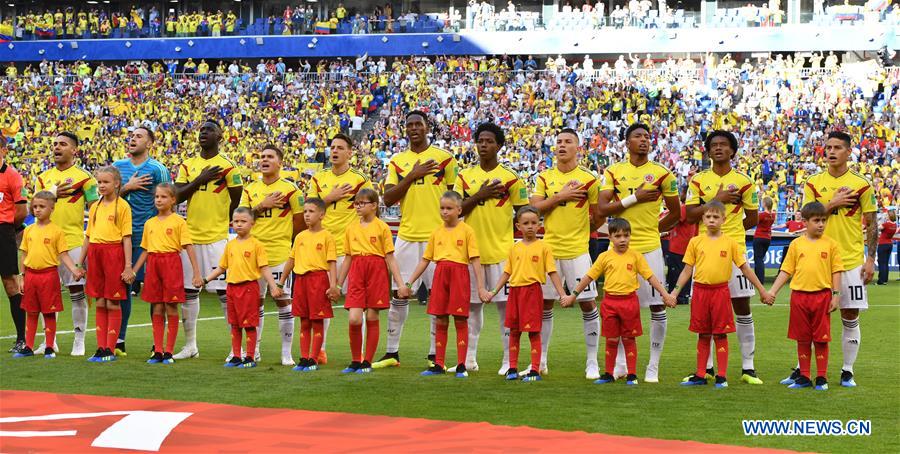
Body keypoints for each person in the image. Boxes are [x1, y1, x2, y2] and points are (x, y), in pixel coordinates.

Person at [597, 123, 680, 383]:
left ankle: (653, 365)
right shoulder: (614, 171)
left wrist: (654, 230)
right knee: (619, 306)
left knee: (657, 307)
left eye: (647, 136)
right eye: (637, 136)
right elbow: (602, 209)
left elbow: (676, 214)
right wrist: (636, 198)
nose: (643, 140)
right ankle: (621, 364)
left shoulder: (663, 173)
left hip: (650, 249)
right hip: (619, 250)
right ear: (627, 142)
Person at [375, 111, 458, 369]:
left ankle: (436, 355)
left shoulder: (445, 159)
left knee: (439, 298)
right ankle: (391, 353)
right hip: (408, 235)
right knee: (398, 293)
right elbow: (388, 198)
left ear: (426, 127)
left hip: (439, 237)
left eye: (418, 124)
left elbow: (456, 199)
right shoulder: (398, 161)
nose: (413, 128)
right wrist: (412, 174)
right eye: (409, 124)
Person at [794, 131, 877, 388]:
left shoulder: (862, 184)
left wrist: (870, 259)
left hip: (851, 259)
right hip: (815, 260)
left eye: (837, 147)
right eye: (828, 147)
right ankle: (802, 370)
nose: (831, 152)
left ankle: (847, 370)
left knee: (850, 315)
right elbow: (806, 215)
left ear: (848, 152)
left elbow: (872, 224)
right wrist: (833, 203)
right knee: (809, 317)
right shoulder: (813, 182)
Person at [684, 130, 762, 385]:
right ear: (708, 151)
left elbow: (753, 218)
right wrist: (716, 200)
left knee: (742, 307)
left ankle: (748, 368)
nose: (718, 148)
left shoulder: (744, 181)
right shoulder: (698, 180)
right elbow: (690, 215)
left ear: (732, 151)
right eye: (713, 145)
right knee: (704, 312)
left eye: (723, 145)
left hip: (734, 249)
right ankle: (706, 368)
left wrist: (732, 231)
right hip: (705, 252)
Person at [452, 122, 528, 375]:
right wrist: (481, 194)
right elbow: (456, 209)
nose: (483, 145)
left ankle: (509, 360)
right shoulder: (464, 176)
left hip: (502, 254)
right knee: (472, 308)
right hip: (472, 255)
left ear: (499, 145)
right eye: (480, 141)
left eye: (489, 141)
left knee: (505, 310)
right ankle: (469, 359)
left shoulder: (512, 178)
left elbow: (524, 214)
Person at [562, 218, 676, 385]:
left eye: (626, 235)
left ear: (630, 236)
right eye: (618, 236)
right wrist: (573, 295)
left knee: (629, 339)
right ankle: (608, 373)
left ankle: (632, 374)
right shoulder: (604, 257)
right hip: (610, 303)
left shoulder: (636, 256)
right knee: (612, 339)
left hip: (629, 302)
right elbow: (589, 276)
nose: (622, 239)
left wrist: (665, 295)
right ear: (610, 238)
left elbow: (650, 277)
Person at [530, 128, 604, 379]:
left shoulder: (590, 179)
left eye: (568, 141)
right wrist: (561, 197)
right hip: (549, 249)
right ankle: (541, 359)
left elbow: (598, 215)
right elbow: (535, 209)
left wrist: (582, 232)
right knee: (544, 304)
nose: (562, 145)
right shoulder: (543, 177)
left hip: (577, 251)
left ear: (578, 148)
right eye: (559, 141)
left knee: (588, 303)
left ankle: (592, 361)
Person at [673, 201, 771, 389]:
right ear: (702, 219)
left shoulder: (731, 243)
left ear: (723, 220)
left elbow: (746, 269)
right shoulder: (695, 242)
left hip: (720, 292)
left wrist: (762, 290)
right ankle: (701, 373)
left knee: (720, 334)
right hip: (700, 292)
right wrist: (674, 292)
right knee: (703, 333)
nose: (711, 220)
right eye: (708, 217)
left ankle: (722, 376)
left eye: (715, 217)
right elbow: (687, 270)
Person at [173, 120, 243, 360]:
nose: (204, 133)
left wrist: (223, 221)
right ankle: (190, 345)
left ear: (220, 136)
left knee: (225, 294)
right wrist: (200, 180)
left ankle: (236, 347)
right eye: (201, 130)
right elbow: (177, 196)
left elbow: (236, 200)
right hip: (190, 236)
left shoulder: (228, 167)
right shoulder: (188, 165)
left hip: (216, 239)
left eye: (209, 130)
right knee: (189, 291)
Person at [406, 191, 490, 378]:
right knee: (440, 319)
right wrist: (409, 282)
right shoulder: (436, 232)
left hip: (459, 275)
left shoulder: (467, 231)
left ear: (459, 210)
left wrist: (481, 287)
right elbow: (425, 260)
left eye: (449, 208)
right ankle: (439, 364)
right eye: (442, 208)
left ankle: (461, 365)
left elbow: (475, 260)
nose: (445, 212)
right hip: (440, 274)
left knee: (460, 319)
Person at [306, 134, 374, 365]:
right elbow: (309, 210)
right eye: (332, 147)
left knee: (356, 304)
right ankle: (320, 350)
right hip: (321, 248)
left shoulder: (360, 179)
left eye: (340, 148)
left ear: (350, 153)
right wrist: (329, 197)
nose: (334, 151)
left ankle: (359, 353)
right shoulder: (319, 178)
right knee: (320, 302)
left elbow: (370, 211)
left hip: (349, 250)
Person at [34, 132, 98, 356]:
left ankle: (79, 340)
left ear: (74, 150)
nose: (57, 148)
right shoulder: (43, 178)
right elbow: (36, 204)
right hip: (46, 243)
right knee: (46, 295)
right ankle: (49, 341)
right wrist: (52, 193)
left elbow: (96, 207)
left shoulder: (85, 178)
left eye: (63, 144)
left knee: (76, 291)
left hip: (72, 242)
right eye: (54, 144)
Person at [768, 201, 843, 391]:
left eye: (823, 221)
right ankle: (804, 376)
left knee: (821, 339)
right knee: (802, 339)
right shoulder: (796, 244)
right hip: (799, 297)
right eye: (816, 220)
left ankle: (822, 377)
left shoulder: (831, 244)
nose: (821, 225)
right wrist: (773, 291)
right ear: (805, 222)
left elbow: (836, 271)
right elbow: (786, 270)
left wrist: (836, 295)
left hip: (822, 297)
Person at [240, 144, 304, 366]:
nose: (264, 160)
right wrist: (261, 206)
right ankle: (254, 350)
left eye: (269, 157)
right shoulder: (249, 190)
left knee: (283, 302)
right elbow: (241, 218)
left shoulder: (292, 190)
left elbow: (300, 222)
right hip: (253, 255)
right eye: (261, 157)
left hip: (279, 255)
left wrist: (289, 246)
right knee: (254, 304)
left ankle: (286, 353)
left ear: (280, 162)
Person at [488, 206, 567, 382]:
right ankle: (512, 368)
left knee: (533, 332)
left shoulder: (544, 247)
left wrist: (562, 294)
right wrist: (493, 291)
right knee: (514, 331)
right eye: (526, 223)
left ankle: (535, 370)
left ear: (540, 224)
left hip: (532, 292)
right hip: (515, 293)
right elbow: (507, 273)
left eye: (534, 222)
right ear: (518, 226)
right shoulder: (514, 248)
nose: (530, 226)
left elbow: (552, 272)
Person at [113, 125, 170, 356]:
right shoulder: (117, 167)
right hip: (121, 237)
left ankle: (158, 344)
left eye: (139, 136)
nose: (132, 139)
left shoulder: (158, 169)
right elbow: (105, 198)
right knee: (122, 289)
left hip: (149, 240)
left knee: (156, 292)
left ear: (149, 144)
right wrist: (127, 187)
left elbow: (168, 199)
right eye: (131, 136)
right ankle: (119, 340)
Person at [335, 189, 406, 373]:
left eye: (361, 203)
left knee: (372, 316)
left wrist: (400, 283)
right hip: (357, 271)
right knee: (354, 319)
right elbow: (348, 258)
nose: (357, 206)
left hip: (376, 271)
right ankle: (355, 360)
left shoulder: (382, 227)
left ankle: (367, 361)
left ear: (374, 205)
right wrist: (338, 284)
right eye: (356, 203)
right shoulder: (351, 228)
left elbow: (390, 257)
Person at [203, 207, 282, 369]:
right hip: (232, 288)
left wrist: (274, 286)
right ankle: (237, 356)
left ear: (252, 223)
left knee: (249, 324)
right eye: (236, 221)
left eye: (243, 221)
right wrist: (205, 279)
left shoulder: (256, 245)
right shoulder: (230, 245)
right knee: (234, 324)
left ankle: (250, 357)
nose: (239, 225)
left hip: (248, 288)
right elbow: (221, 267)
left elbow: (264, 268)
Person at [132, 183, 202, 365]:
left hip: (171, 263)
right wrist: (134, 270)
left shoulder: (179, 221)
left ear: (173, 200)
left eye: (163, 197)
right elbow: (145, 250)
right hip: (153, 265)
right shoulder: (150, 223)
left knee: (171, 306)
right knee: (157, 307)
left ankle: (168, 351)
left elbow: (189, 247)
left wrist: (196, 273)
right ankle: (157, 350)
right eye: (157, 197)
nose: (159, 200)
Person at [14, 191, 82, 358]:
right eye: (35, 206)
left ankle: (50, 347)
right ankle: (28, 347)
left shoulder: (57, 231)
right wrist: (22, 276)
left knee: (49, 312)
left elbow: (63, 254)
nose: (37, 210)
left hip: (49, 276)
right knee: (31, 311)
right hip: (31, 276)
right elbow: (24, 255)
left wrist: (74, 270)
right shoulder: (29, 230)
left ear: (52, 208)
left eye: (42, 207)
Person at [79, 166, 134, 363]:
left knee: (112, 301)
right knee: (100, 301)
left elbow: (127, 238)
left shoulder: (123, 207)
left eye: (105, 182)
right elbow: (88, 238)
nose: (101, 186)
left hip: (113, 254)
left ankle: (110, 349)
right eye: (99, 182)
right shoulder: (94, 207)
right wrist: (80, 263)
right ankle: (100, 347)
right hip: (95, 254)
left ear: (117, 184)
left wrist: (128, 266)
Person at [278, 197, 338, 372]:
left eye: (311, 211)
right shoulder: (300, 237)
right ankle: (304, 358)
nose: (306, 215)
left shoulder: (327, 236)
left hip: (318, 280)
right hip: (301, 281)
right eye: (305, 211)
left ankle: (314, 358)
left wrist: (333, 285)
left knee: (317, 321)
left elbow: (332, 262)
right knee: (304, 321)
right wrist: (281, 282)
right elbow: (291, 260)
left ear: (321, 215)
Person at [0, 134, 28, 353]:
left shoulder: (12, 176)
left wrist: (9, 228)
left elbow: (21, 211)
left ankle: (21, 338)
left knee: (10, 284)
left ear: (3, 150)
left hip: (3, 231)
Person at [665, 188, 696, 305]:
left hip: (678, 247)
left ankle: (678, 297)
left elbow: (673, 221)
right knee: (684, 272)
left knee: (676, 273)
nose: (680, 195)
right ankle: (683, 296)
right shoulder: (692, 209)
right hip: (685, 246)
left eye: (682, 192)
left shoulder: (684, 208)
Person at [753, 197, 776, 284]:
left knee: (758, 259)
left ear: (764, 204)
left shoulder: (762, 215)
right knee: (760, 259)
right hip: (767, 238)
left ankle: (759, 280)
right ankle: (758, 279)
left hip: (759, 237)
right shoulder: (773, 215)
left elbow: (754, 222)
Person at [876, 211, 896, 285]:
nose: (886, 216)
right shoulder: (895, 225)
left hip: (883, 244)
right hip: (889, 244)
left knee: (881, 262)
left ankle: (881, 280)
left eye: (887, 215)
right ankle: (885, 279)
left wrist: (881, 220)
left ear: (889, 216)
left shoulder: (886, 224)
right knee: (885, 263)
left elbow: (878, 227)